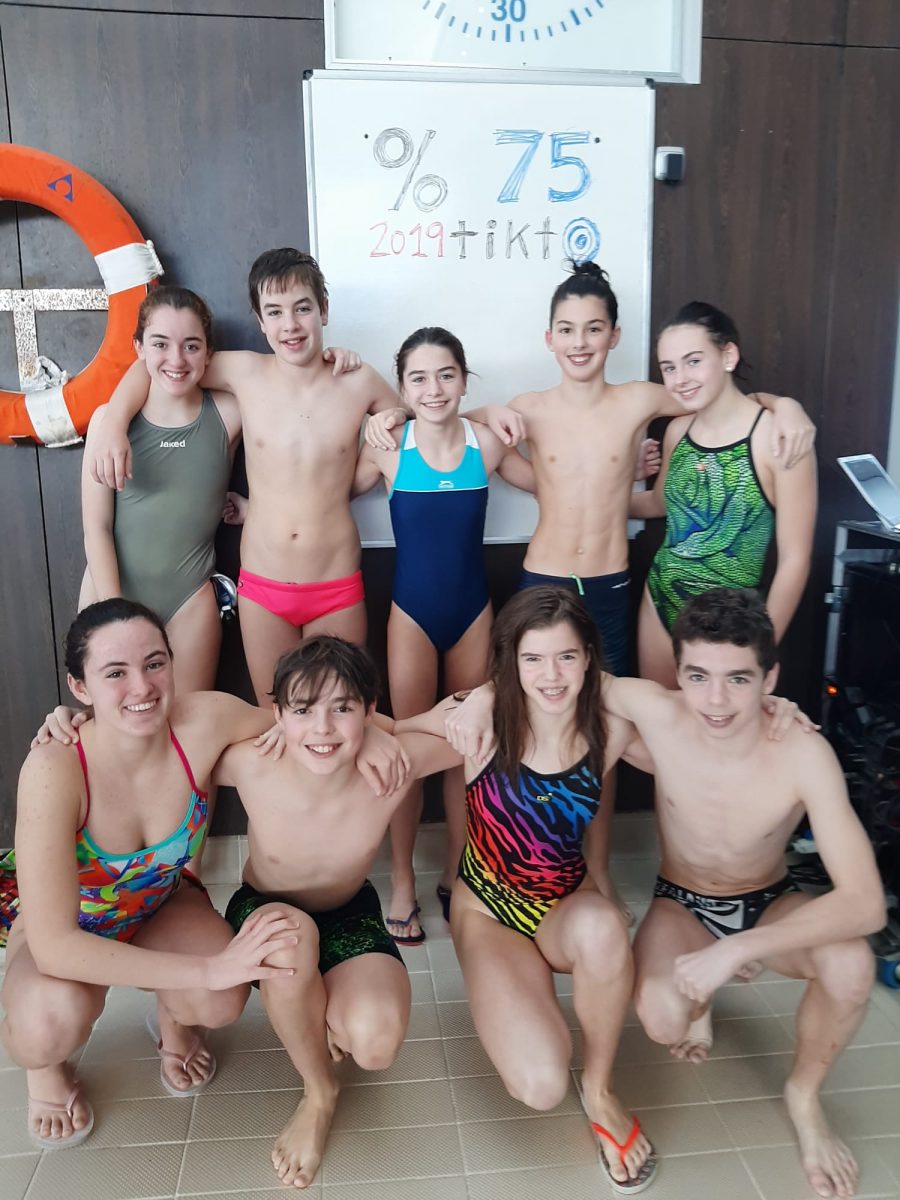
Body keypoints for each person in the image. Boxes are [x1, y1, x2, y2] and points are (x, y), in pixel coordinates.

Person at [448, 588, 884, 1200]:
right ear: (677, 673)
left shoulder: (803, 752)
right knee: (660, 1017)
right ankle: (696, 1004)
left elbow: (865, 904)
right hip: (683, 901)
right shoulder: (653, 711)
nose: (716, 700)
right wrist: (482, 696)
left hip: (770, 899)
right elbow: (556, 672)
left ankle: (804, 1098)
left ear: (770, 679)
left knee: (852, 964)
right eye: (699, 676)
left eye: (739, 679)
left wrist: (739, 949)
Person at [0, 599, 301, 1150]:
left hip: (161, 903)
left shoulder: (203, 719)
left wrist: (411, 729)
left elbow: (310, 721)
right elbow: (55, 947)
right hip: (72, 928)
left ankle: (174, 1018)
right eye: (115, 673)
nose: (142, 686)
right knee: (44, 1025)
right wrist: (208, 967)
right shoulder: (54, 767)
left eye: (154, 663)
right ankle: (46, 1071)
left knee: (220, 1000)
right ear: (80, 688)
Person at [400, 586, 662, 1193]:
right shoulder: (481, 721)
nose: (551, 676)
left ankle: (600, 1088)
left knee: (604, 927)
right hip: (489, 911)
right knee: (541, 1084)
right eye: (533, 659)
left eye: (567, 657)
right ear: (511, 664)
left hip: (564, 905)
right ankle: (515, 989)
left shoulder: (609, 729)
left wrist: (770, 718)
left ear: (590, 658)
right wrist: (474, 699)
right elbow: (395, 737)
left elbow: (694, 745)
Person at [84, 249, 408, 705]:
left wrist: (392, 416)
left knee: (342, 713)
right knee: (275, 718)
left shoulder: (359, 381)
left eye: (302, 308)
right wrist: (114, 420)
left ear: (324, 310)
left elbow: (411, 421)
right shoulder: (243, 373)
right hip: (262, 583)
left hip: (335, 580)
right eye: (274, 312)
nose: (290, 324)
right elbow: (164, 363)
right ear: (259, 320)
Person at [214, 635, 462, 1188]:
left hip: (348, 913)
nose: (322, 729)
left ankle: (320, 1008)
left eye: (342, 709)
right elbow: (160, 740)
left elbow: (484, 715)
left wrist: (390, 731)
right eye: (303, 710)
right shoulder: (253, 762)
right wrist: (69, 721)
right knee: (289, 939)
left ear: (369, 710)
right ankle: (319, 1090)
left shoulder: (392, 764)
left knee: (375, 1043)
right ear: (277, 714)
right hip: (266, 915)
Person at [353, 326, 535, 944]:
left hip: (473, 615)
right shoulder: (387, 447)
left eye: (446, 375)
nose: (434, 389)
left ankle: (460, 874)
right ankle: (403, 881)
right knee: (406, 752)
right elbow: (322, 489)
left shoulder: (487, 443)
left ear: (464, 379)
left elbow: (549, 480)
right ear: (403, 389)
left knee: (468, 749)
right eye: (419, 378)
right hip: (411, 616)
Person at [632, 302, 817, 687]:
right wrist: (588, 500)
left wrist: (762, 650)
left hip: (732, 626)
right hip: (659, 602)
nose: (680, 378)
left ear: (728, 355)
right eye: (669, 367)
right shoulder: (677, 431)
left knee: (716, 724)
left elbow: (795, 560)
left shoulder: (778, 438)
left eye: (693, 361)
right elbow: (658, 504)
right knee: (662, 720)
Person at [79, 286, 241, 693]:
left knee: (187, 723)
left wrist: (335, 359)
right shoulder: (107, 424)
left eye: (191, 345)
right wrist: (114, 613)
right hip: (109, 589)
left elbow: (286, 387)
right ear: (139, 348)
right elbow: (96, 527)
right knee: (117, 724)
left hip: (190, 601)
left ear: (209, 353)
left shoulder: (228, 414)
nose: (176, 359)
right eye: (160, 344)